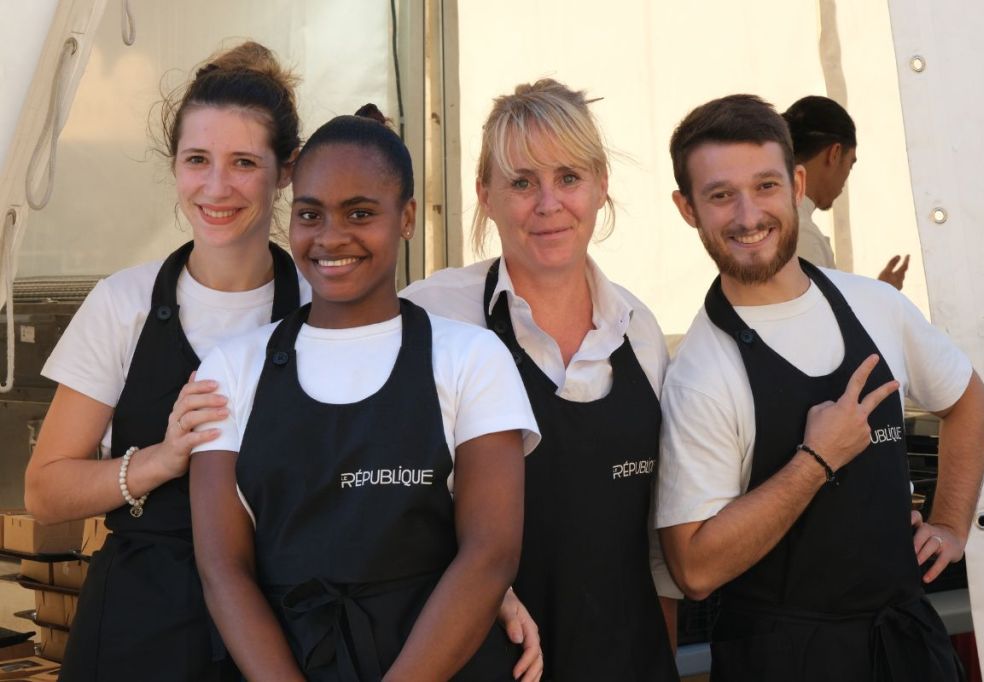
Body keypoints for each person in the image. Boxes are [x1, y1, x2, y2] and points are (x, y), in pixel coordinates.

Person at [189, 107, 539, 682]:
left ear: (405, 218)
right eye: (310, 214)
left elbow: (490, 554)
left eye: (360, 213)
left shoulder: (469, 358)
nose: (331, 237)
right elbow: (222, 569)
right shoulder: (231, 368)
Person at [657, 93, 984, 680]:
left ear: (797, 183)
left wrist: (950, 524)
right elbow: (695, 568)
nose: (747, 216)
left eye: (765, 186)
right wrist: (816, 459)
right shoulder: (699, 373)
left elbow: (969, 403)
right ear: (688, 209)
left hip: (906, 642)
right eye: (719, 195)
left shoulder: (876, 305)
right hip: (785, 658)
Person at [23, 42, 307, 680]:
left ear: (285, 170)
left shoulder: (325, 309)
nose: (215, 187)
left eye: (243, 163)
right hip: (138, 626)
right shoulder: (121, 303)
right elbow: (44, 491)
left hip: (285, 621)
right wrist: (160, 460)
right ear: (173, 164)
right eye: (197, 160)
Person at [401, 79, 680, 681]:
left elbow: (657, 550)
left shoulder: (640, 331)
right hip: (489, 661)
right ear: (485, 195)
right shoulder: (430, 317)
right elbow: (385, 500)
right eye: (522, 182)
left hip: (627, 660)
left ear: (602, 185)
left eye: (569, 178)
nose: (548, 203)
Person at [782, 95, 910, 289]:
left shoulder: (779, 220)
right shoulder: (801, 234)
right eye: (850, 164)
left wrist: (879, 294)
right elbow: (818, 318)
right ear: (834, 154)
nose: (844, 181)